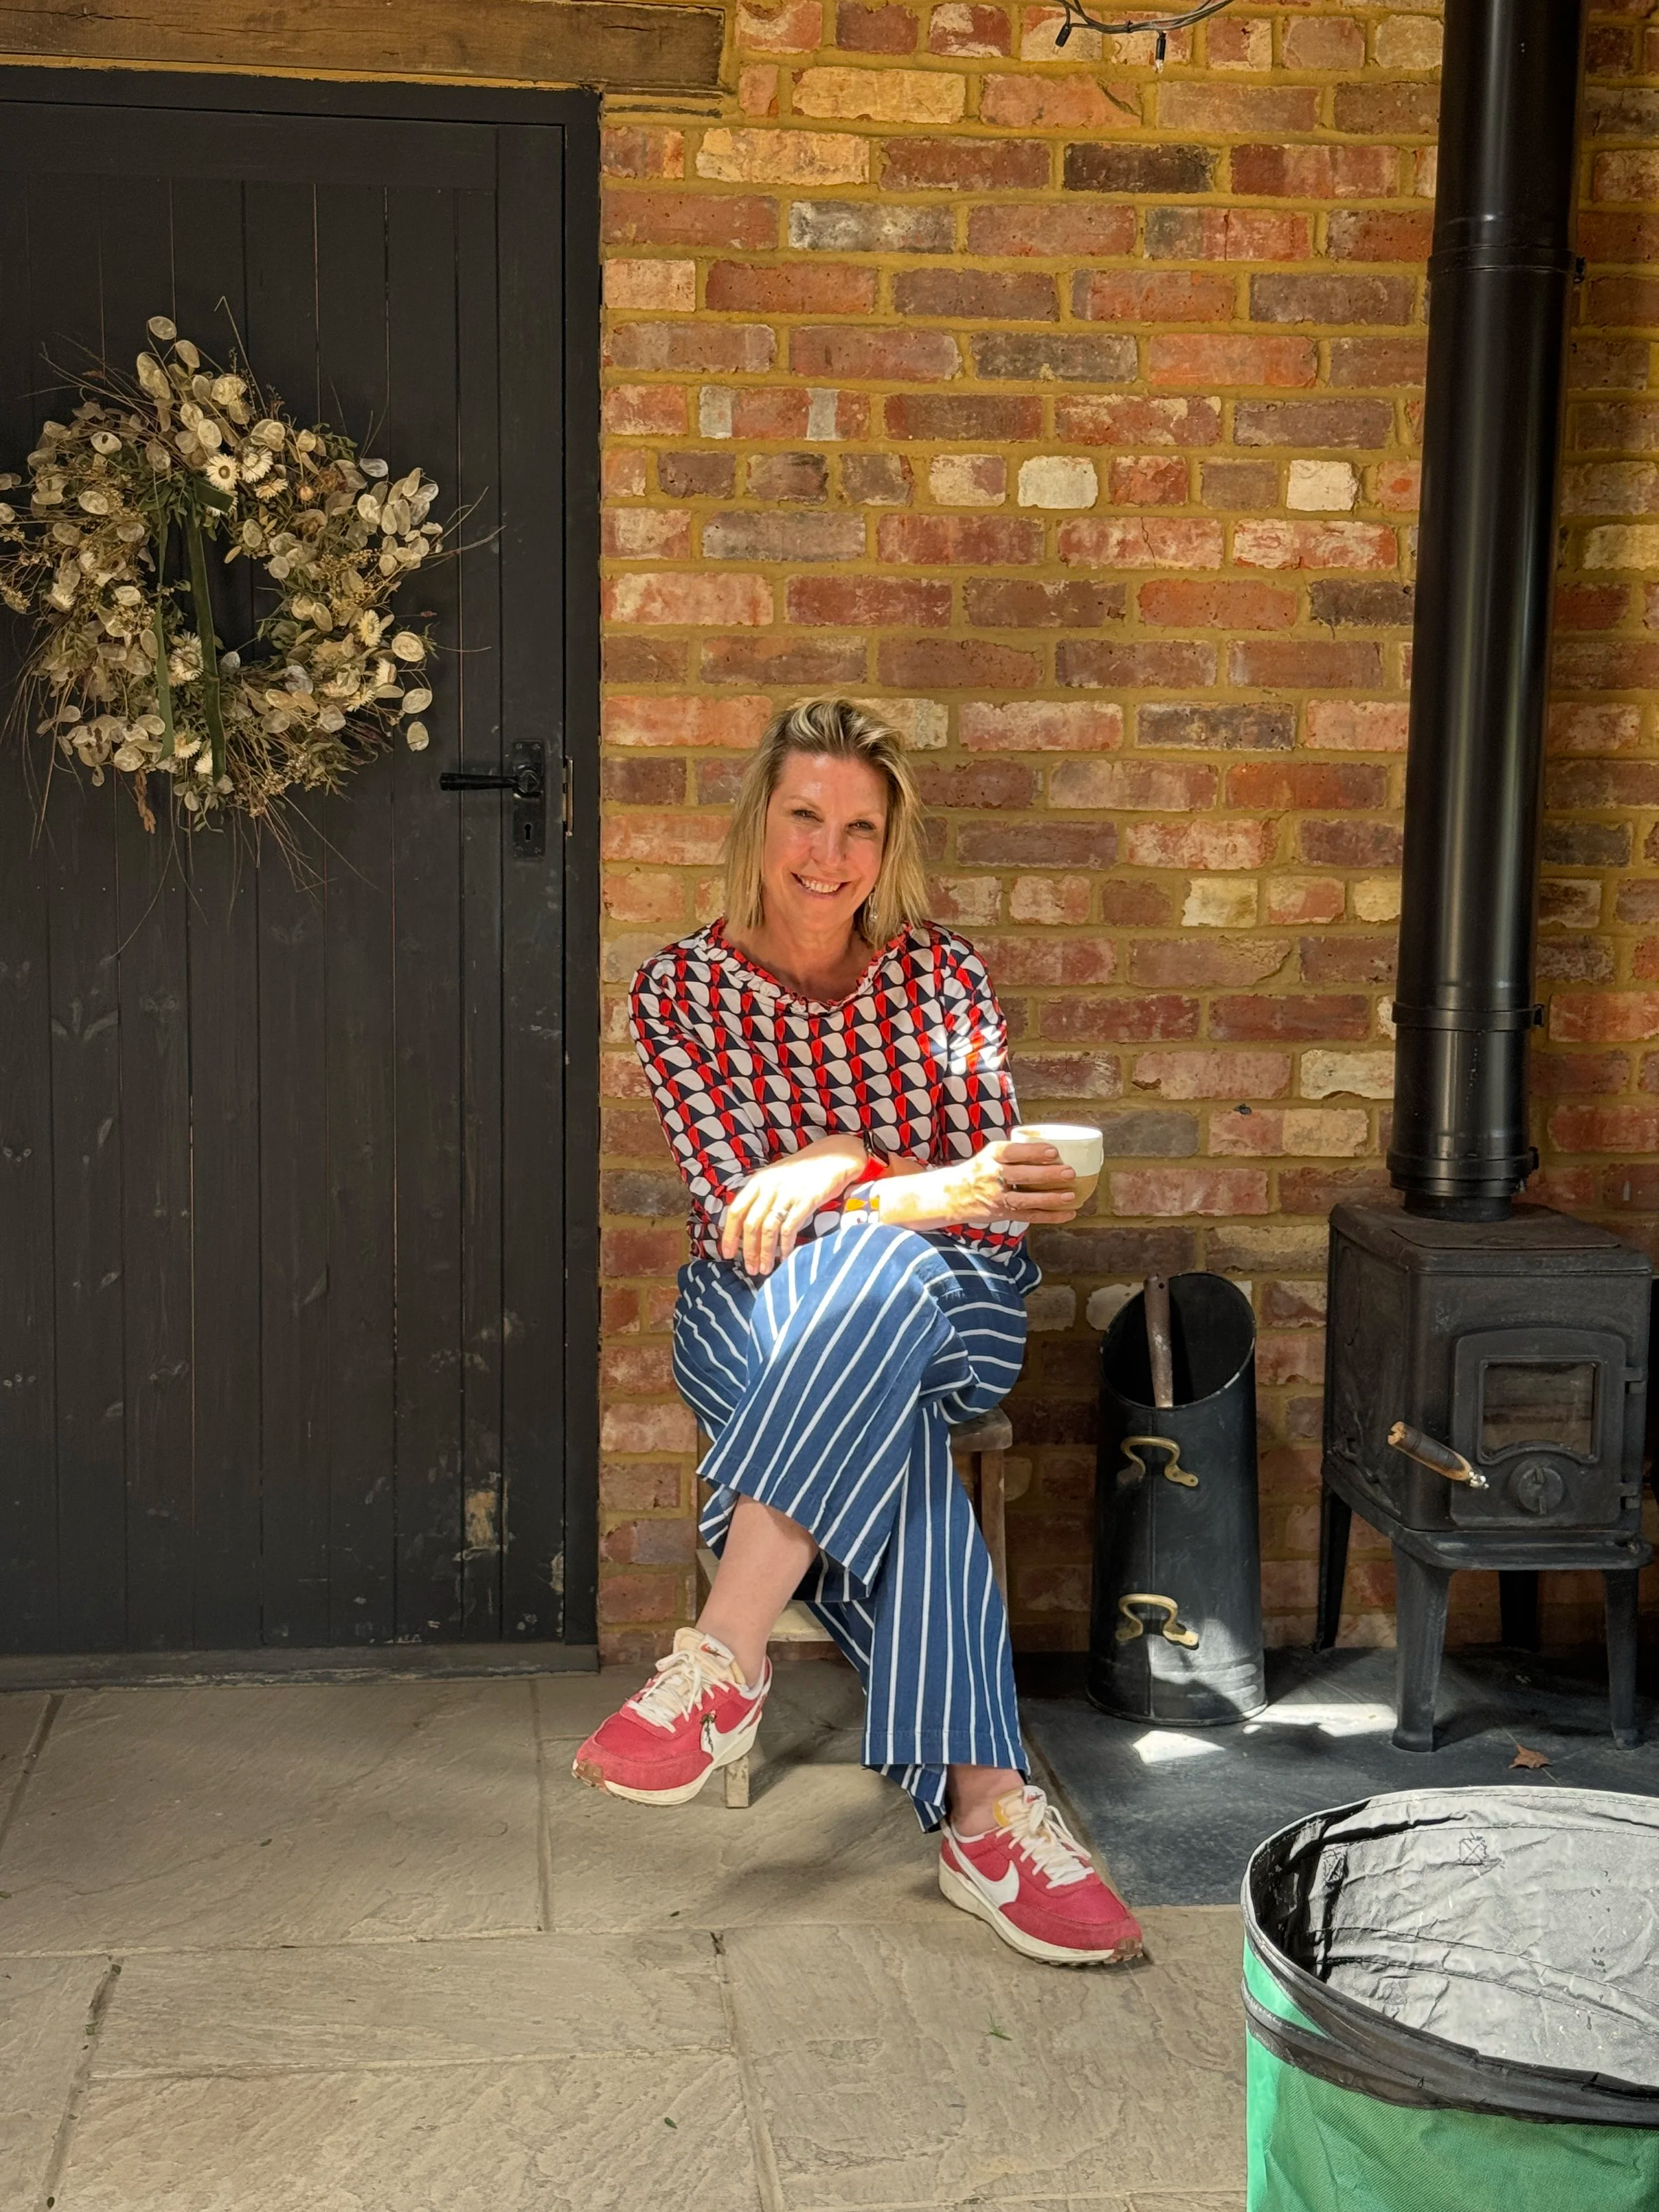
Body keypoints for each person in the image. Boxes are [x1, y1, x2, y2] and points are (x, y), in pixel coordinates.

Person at [573, 698, 1142, 1967]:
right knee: (898, 1435)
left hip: (961, 1309)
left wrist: (835, 1161)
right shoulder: (682, 993)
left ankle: (724, 1654)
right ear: (759, 823)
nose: (827, 854)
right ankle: (989, 1813)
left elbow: (988, 1211)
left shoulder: (943, 976)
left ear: (890, 848)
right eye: (805, 817)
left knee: (884, 1275)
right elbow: (745, 1223)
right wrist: (920, 1183)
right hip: (751, 1311)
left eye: (859, 829)